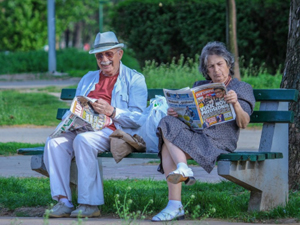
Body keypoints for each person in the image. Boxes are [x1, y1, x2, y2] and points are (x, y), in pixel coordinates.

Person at [43, 31, 147, 218]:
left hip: (114, 131)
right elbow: (76, 107)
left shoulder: (135, 79)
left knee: (84, 141)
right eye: (100, 55)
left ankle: (89, 204)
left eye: (109, 54)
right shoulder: (88, 78)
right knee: (54, 142)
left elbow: (139, 118)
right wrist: (69, 121)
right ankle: (63, 201)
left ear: (119, 54)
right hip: (84, 128)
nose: (104, 59)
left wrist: (112, 111)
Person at [151, 41, 255, 222]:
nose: (216, 70)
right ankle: (182, 171)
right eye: (211, 67)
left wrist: (236, 103)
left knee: (167, 147)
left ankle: (174, 204)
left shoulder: (241, 88)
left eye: (219, 64)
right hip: (197, 135)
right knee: (166, 121)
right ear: (206, 71)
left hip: (220, 142)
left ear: (228, 64)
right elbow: (190, 117)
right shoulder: (200, 86)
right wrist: (177, 113)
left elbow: (244, 122)